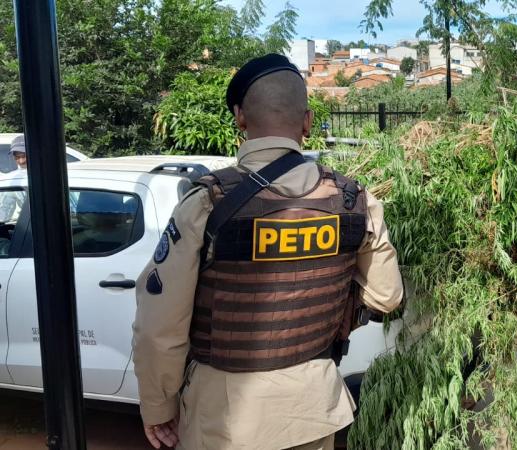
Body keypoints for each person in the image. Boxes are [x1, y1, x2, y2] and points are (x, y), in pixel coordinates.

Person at [132, 54, 404, 450]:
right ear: (308, 122)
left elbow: (160, 327)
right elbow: (387, 295)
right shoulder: (354, 201)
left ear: (240, 118)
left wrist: (158, 407)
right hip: (314, 411)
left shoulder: (207, 204)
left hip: (224, 420)